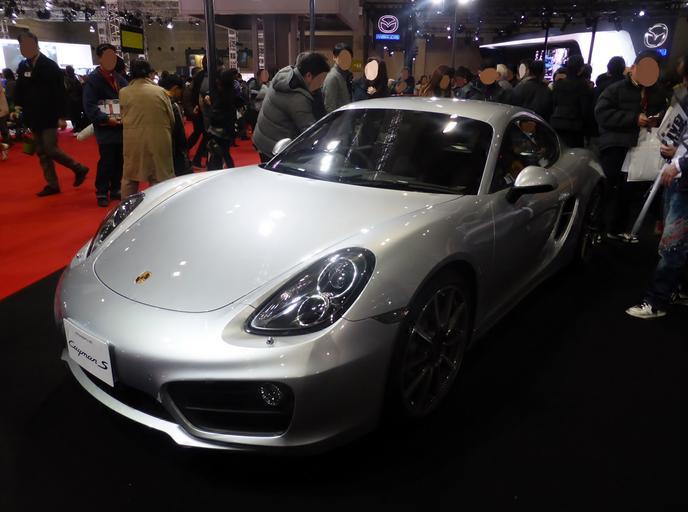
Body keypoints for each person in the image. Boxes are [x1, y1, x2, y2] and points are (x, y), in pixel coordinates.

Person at [626, 56, 688, 319]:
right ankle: (679, 290)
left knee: (673, 245)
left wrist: (681, 162)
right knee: (677, 242)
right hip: (678, 176)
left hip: (683, 181)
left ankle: (657, 301)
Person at [595, 52, 670, 242]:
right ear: (633, 67)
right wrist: (633, 119)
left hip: (643, 147)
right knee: (607, 188)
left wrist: (657, 119)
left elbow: (665, 114)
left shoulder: (658, 92)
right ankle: (596, 228)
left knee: (627, 191)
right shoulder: (615, 89)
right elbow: (601, 113)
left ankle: (616, 229)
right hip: (616, 146)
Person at [14, 32, 89, 197]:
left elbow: (60, 93)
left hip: (49, 115)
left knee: (50, 148)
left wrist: (61, 116)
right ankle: (52, 184)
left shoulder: (50, 65)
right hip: (32, 116)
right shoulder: (23, 66)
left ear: (36, 44)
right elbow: (20, 88)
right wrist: (17, 106)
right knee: (41, 151)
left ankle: (78, 168)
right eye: (22, 45)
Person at [253, 52, 330, 161]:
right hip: (273, 147)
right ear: (308, 76)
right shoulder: (297, 98)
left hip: (264, 137)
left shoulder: (287, 73)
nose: (322, 84)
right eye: (321, 79)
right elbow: (310, 132)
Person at [119, 59, 175, 197]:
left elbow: (122, 116)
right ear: (150, 73)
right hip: (158, 138)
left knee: (130, 177)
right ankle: (158, 205)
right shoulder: (161, 92)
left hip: (133, 140)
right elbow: (171, 118)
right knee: (159, 177)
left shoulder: (123, 92)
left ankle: (126, 206)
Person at [83, 43, 128, 207]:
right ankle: (101, 191)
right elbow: (89, 106)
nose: (111, 60)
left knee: (120, 159)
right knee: (107, 160)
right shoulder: (93, 80)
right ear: (99, 58)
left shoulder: (119, 78)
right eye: (107, 56)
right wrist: (105, 119)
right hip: (105, 127)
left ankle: (115, 187)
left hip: (121, 126)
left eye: (113, 56)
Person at [550, 55, 594, 148]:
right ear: (581, 68)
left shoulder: (558, 84)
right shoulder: (583, 85)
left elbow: (553, 103)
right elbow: (585, 109)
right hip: (574, 126)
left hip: (556, 122)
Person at [159, 73, 192, 176]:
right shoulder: (173, 105)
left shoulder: (157, 101)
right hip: (174, 149)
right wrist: (185, 151)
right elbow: (179, 132)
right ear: (175, 88)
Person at [206, 69, 237, 170]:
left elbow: (216, 115)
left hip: (218, 130)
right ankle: (231, 170)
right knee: (225, 153)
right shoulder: (232, 93)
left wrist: (211, 107)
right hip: (227, 129)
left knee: (218, 154)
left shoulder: (221, 95)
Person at [322, 43, 353, 113]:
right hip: (339, 119)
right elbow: (329, 107)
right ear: (334, 57)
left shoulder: (346, 76)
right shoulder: (333, 77)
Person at [64, 65, 85, 134]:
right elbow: (81, 88)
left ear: (67, 72)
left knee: (73, 115)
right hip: (78, 99)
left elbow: (66, 89)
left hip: (71, 100)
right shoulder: (76, 78)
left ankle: (76, 127)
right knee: (78, 114)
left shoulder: (66, 79)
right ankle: (79, 127)